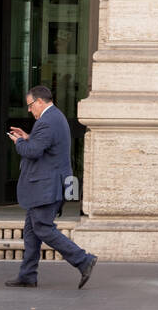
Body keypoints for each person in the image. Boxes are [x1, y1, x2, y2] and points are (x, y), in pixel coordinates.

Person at [5, 85, 98, 289]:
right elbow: (44, 145)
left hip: (46, 187)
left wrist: (19, 142)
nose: (29, 110)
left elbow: (34, 152)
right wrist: (28, 137)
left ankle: (83, 260)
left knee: (43, 228)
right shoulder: (54, 117)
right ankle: (28, 275)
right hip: (47, 186)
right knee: (31, 231)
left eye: (30, 105)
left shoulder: (47, 121)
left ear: (39, 102)